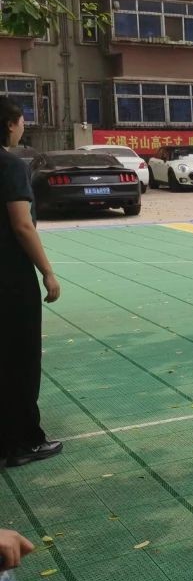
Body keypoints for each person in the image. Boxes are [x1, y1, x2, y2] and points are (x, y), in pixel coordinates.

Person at [0, 98, 63, 467]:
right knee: (20, 357)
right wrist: (47, 271)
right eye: (22, 121)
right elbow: (22, 224)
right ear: (10, 124)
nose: (23, 127)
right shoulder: (10, 165)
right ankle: (23, 440)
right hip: (10, 276)